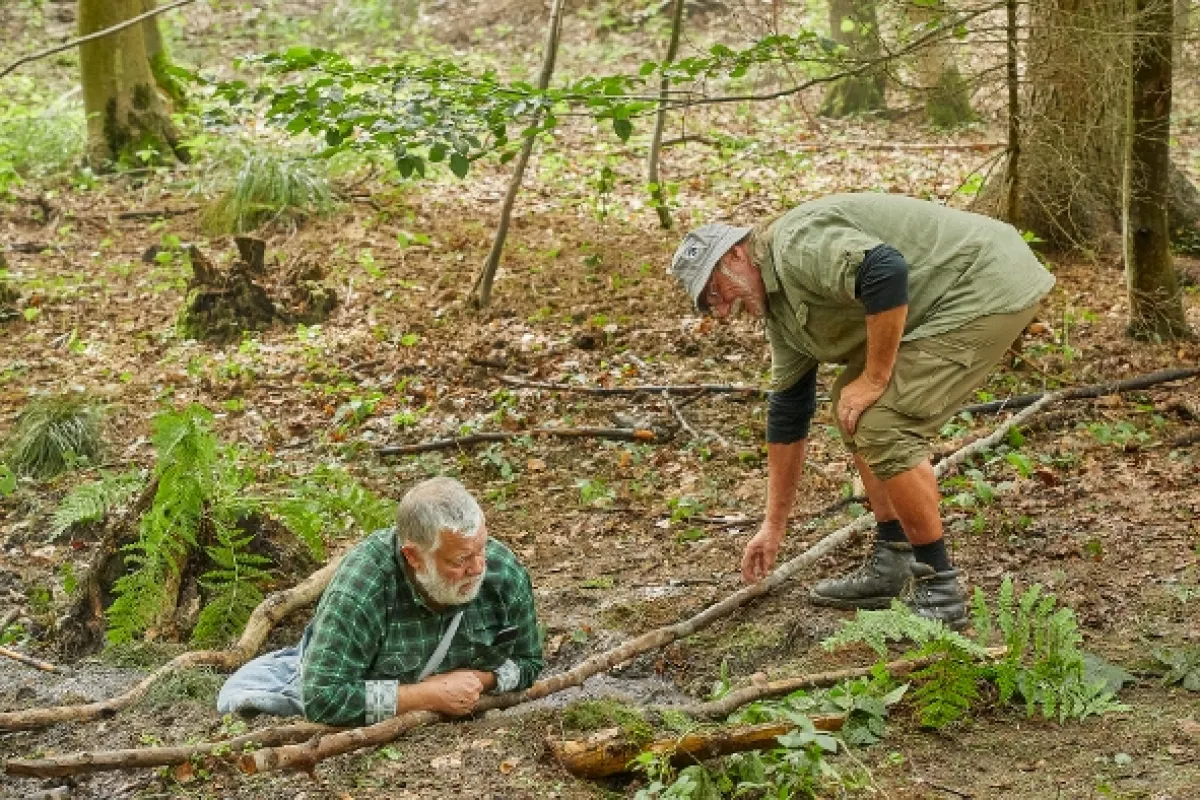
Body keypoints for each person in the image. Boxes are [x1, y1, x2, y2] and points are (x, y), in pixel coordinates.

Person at [667, 193, 1055, 628]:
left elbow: (884, 270)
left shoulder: (795, 246)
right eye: (708, 304)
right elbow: (788, 411)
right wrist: (772, 528)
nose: (721, 310)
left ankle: (941, 587)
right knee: (849, 404)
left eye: (715, 291)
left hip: (984, 282)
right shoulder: (778, 310)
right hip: (944, 296)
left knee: (882, 421)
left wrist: (875, 377)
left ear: (736, 254)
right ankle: (895, 558)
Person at [217, 477, 543, 725]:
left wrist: (478, 682)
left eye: (481, 549)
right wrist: (426, 696)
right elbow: (322, 698)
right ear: (414, 557)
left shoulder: (504, 575)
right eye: (459, 561)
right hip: (350, 673)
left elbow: (529, 661)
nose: (477, 568)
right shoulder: (362, 590)